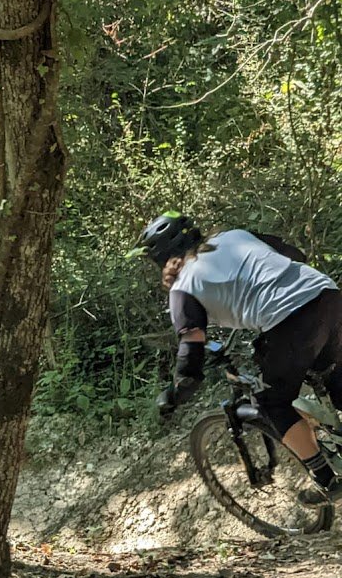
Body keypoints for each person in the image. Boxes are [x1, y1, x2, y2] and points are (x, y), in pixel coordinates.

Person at [130, 211, 342, 502]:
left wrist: (174, 395)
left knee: (272, 402)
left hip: (290, 321)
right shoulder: (234, 236)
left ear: (161, 259)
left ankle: (327, 480)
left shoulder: (182, 287)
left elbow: (191, 352)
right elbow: (295, 255)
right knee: (333, 378)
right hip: (327, 294)